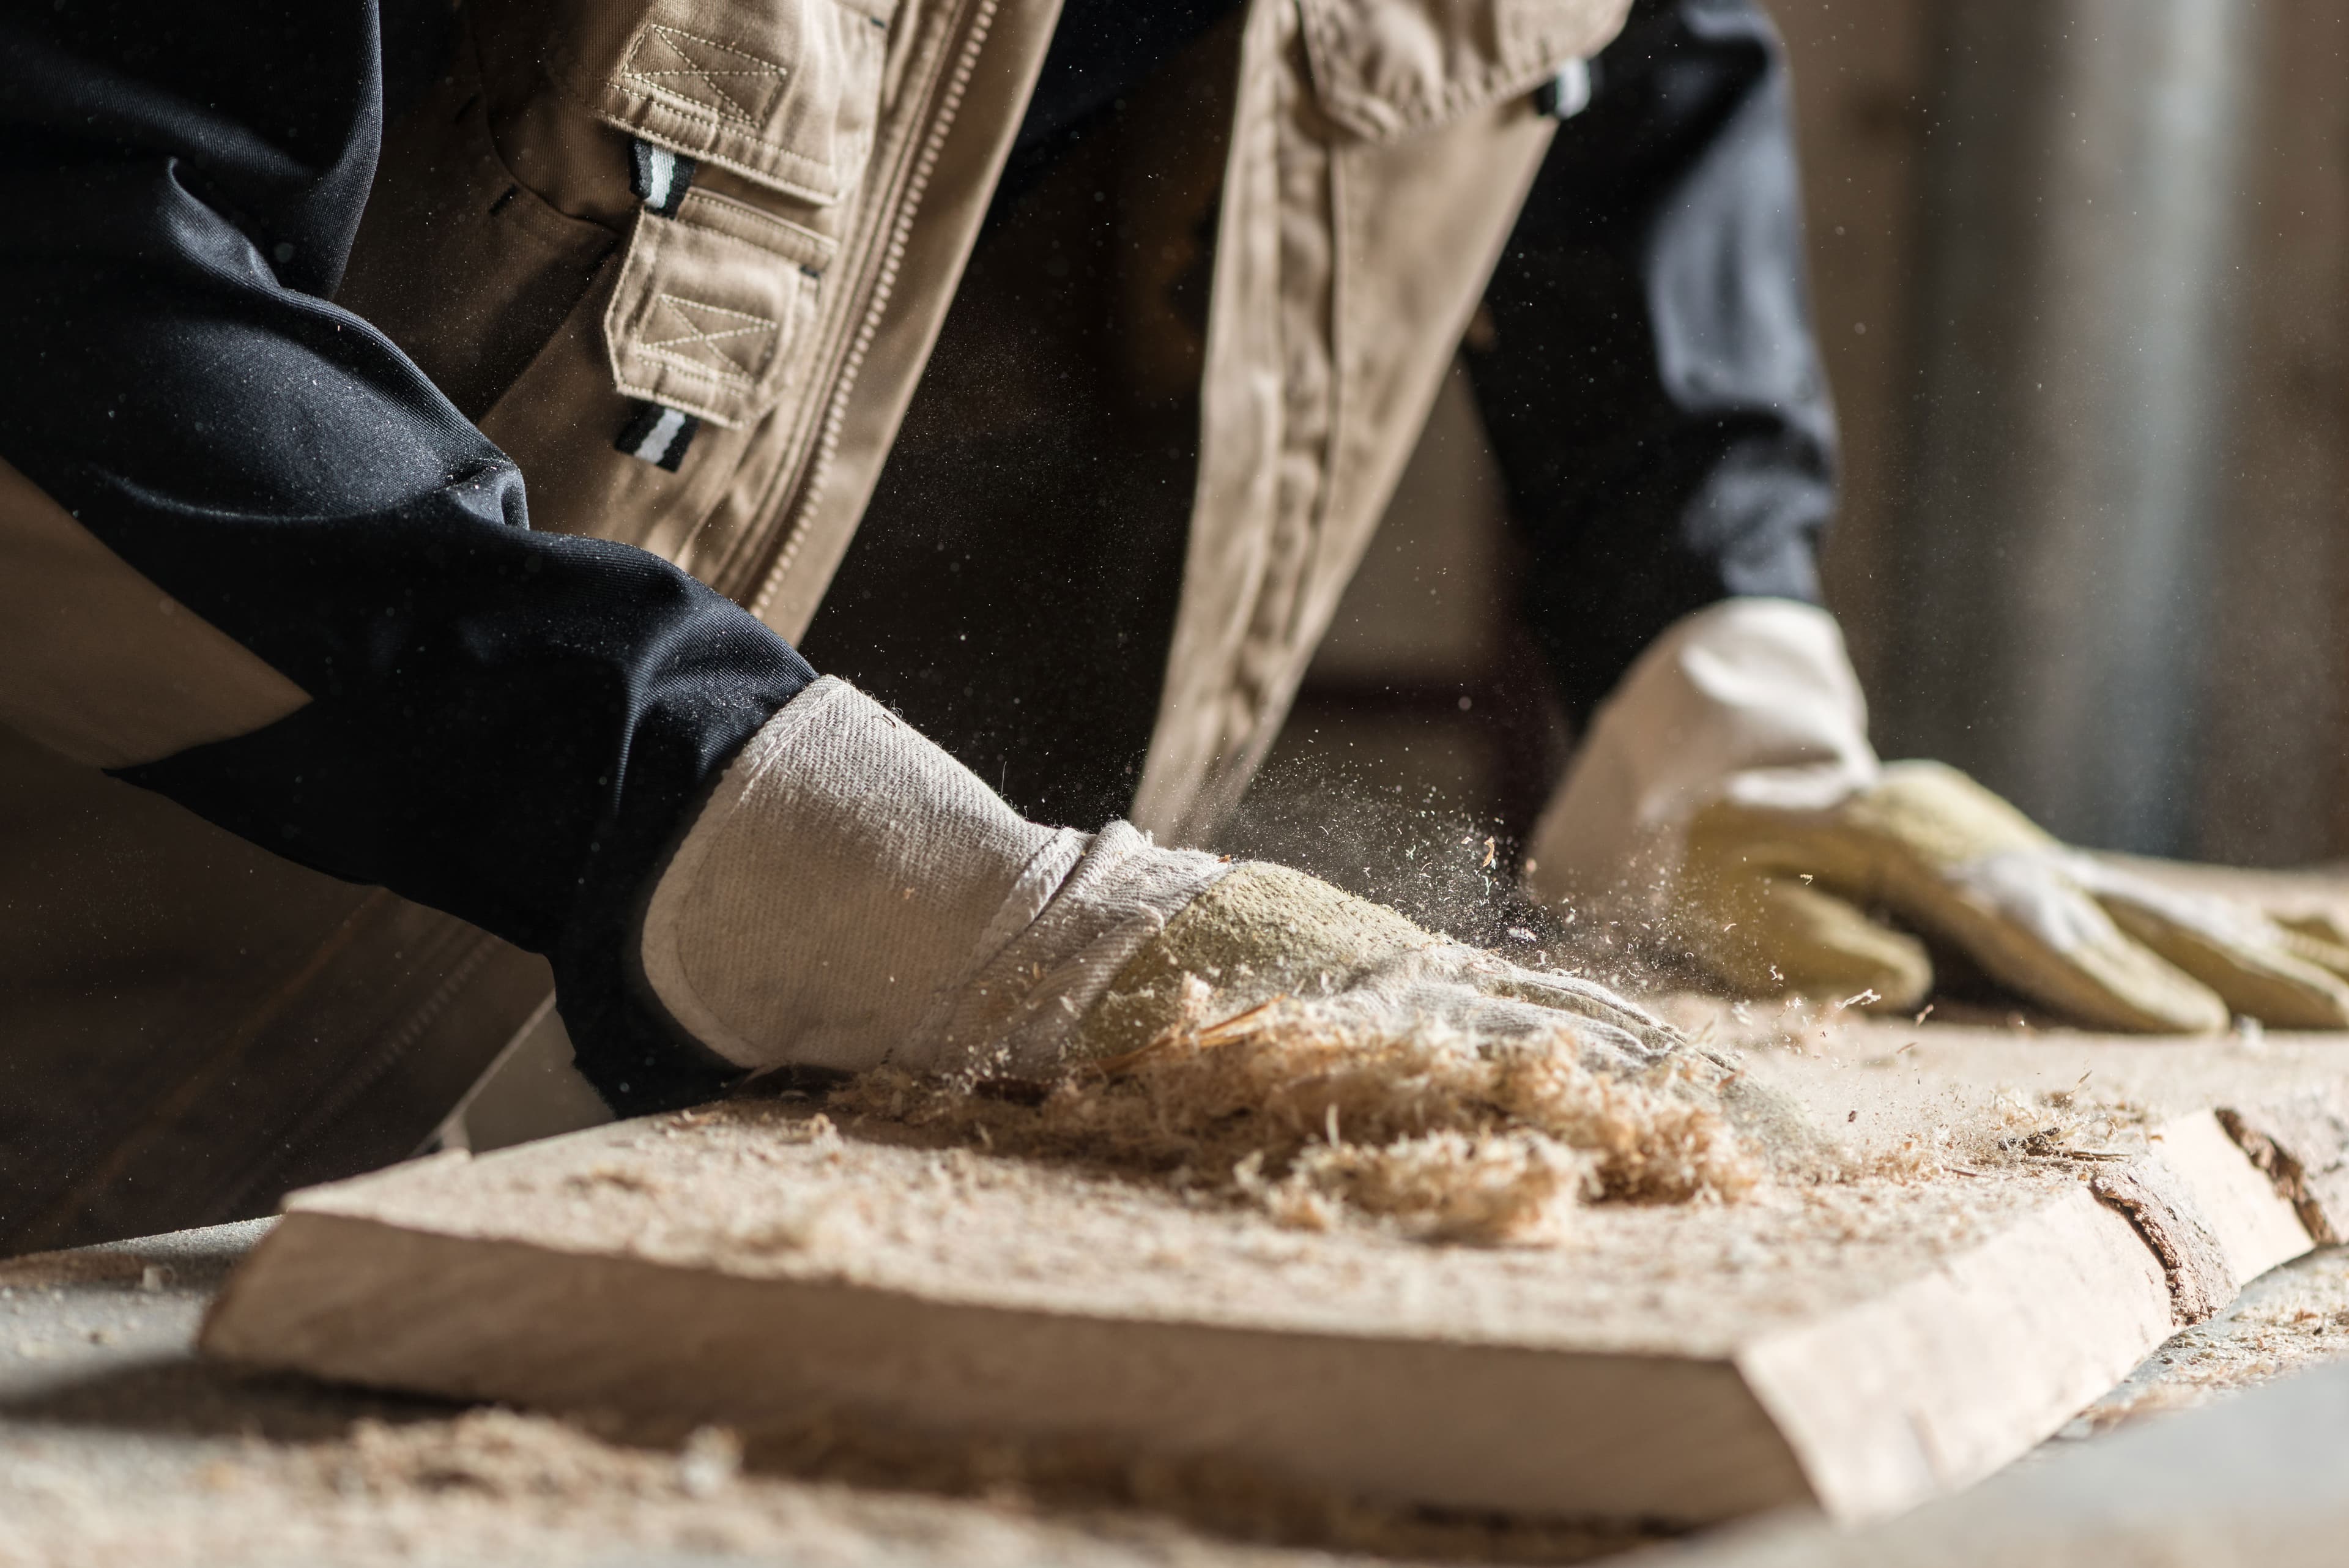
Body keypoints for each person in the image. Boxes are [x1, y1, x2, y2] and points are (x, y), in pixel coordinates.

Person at [2, 0, 2339, 1219]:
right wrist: (799, 854)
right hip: (103, 1121)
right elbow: (55, 259)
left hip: (815, 1138)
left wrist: (1710, 667)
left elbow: (1624, 70)